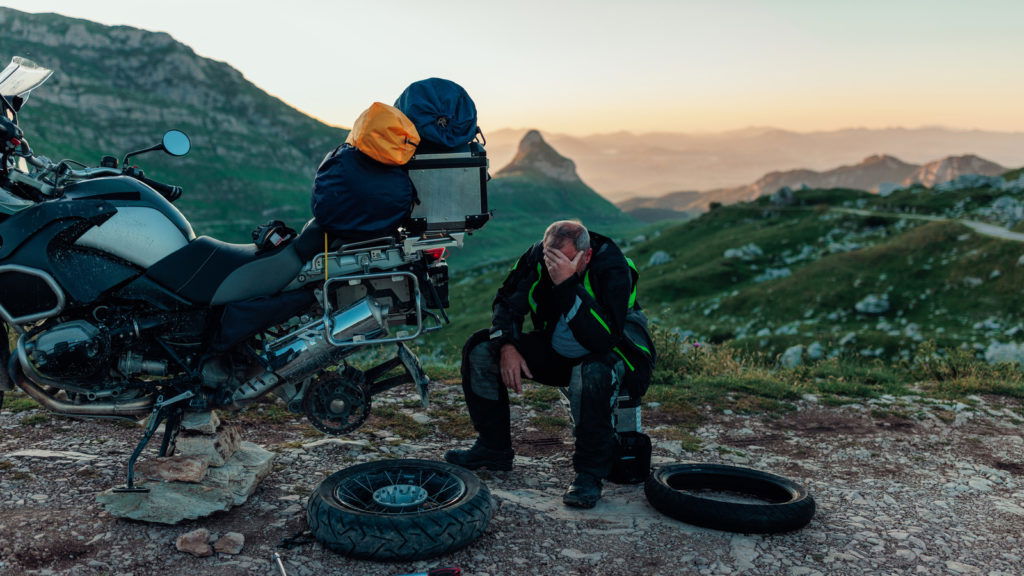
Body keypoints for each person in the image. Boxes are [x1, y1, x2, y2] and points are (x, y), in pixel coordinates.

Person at [445, 220, 652, 508]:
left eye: (562, 261)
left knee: (591, 370)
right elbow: (507, 301)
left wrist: (567, 284)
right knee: (480, 348)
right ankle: (493, 449)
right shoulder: (538, 256)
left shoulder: (614, 267)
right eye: (549, 259)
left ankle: (589, 474)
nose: (553, 266)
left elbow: (603, 338)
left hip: (614, 355)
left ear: (587, 255)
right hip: (558, 347)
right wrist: (507, 345)